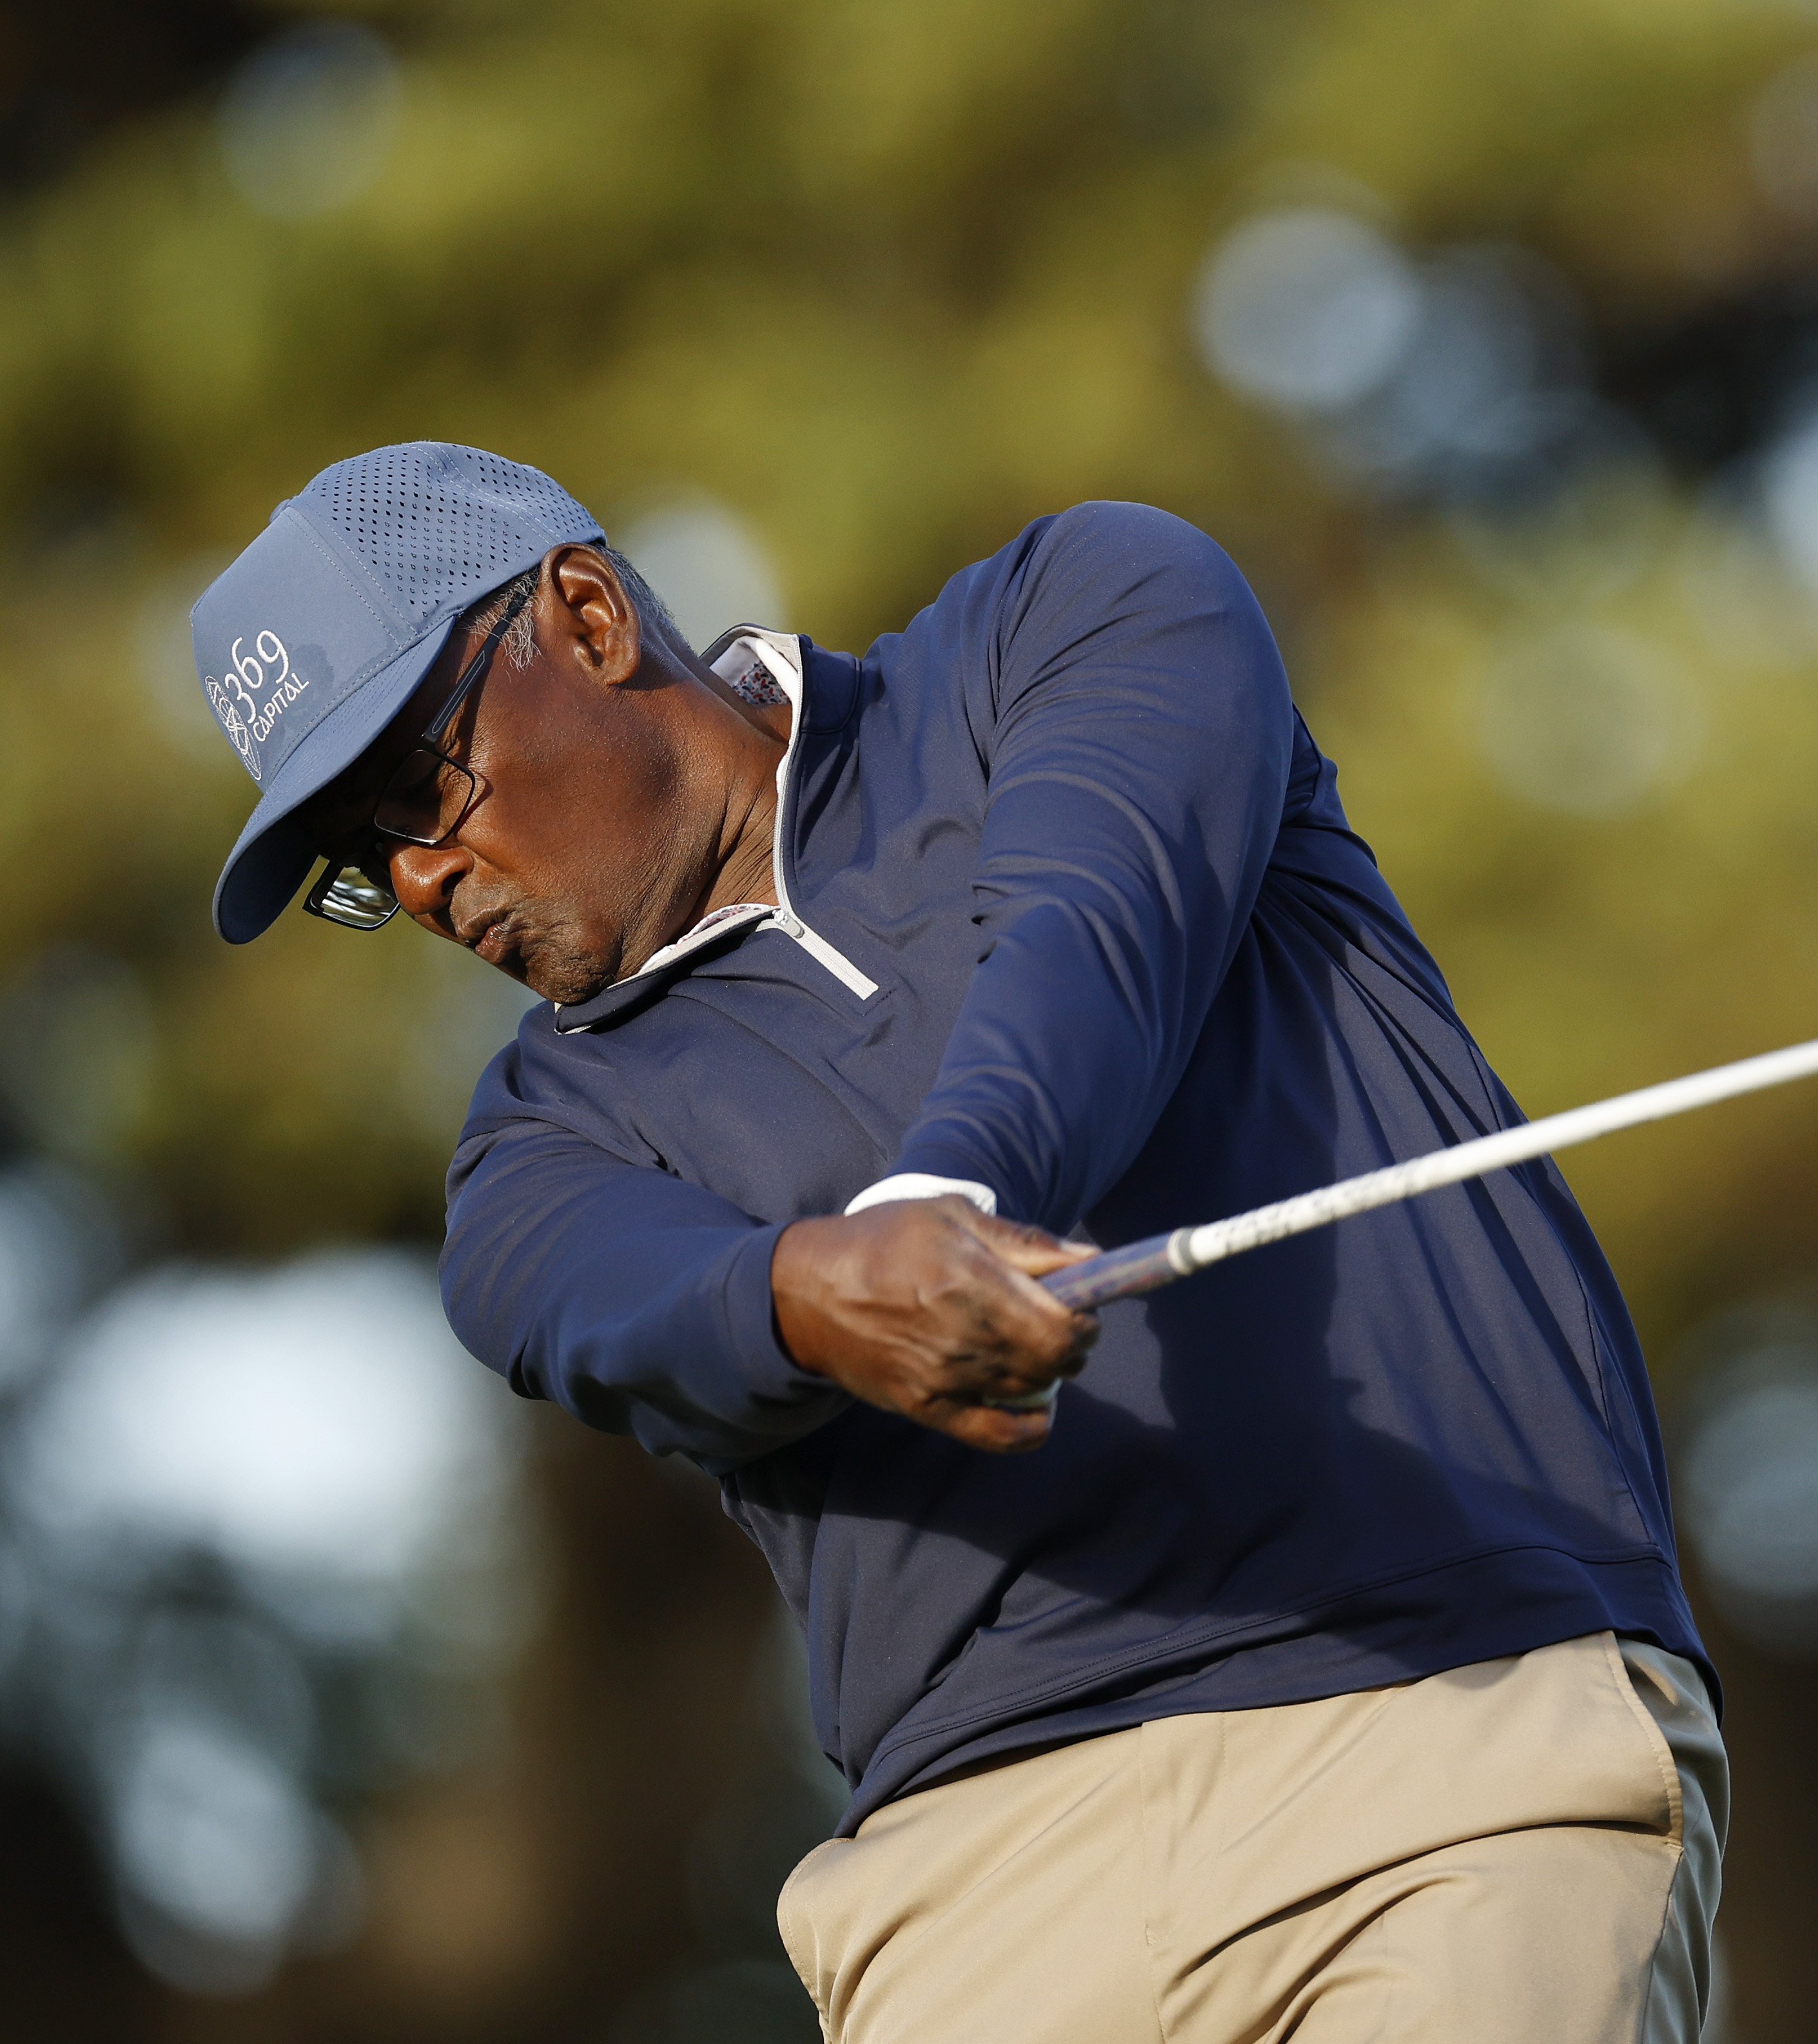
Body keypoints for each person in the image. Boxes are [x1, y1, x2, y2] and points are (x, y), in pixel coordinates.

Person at [190, 442, 1723, 2042]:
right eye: (362, 873)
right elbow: (641, 1307)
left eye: (417, 789)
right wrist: (812, 1300)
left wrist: (956, 1195)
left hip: (1450, 1726)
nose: (425, 881)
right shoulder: (529, 1156)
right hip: (975, 1891)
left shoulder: (1078, 611)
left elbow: (1090, 932)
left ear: (583, 618)